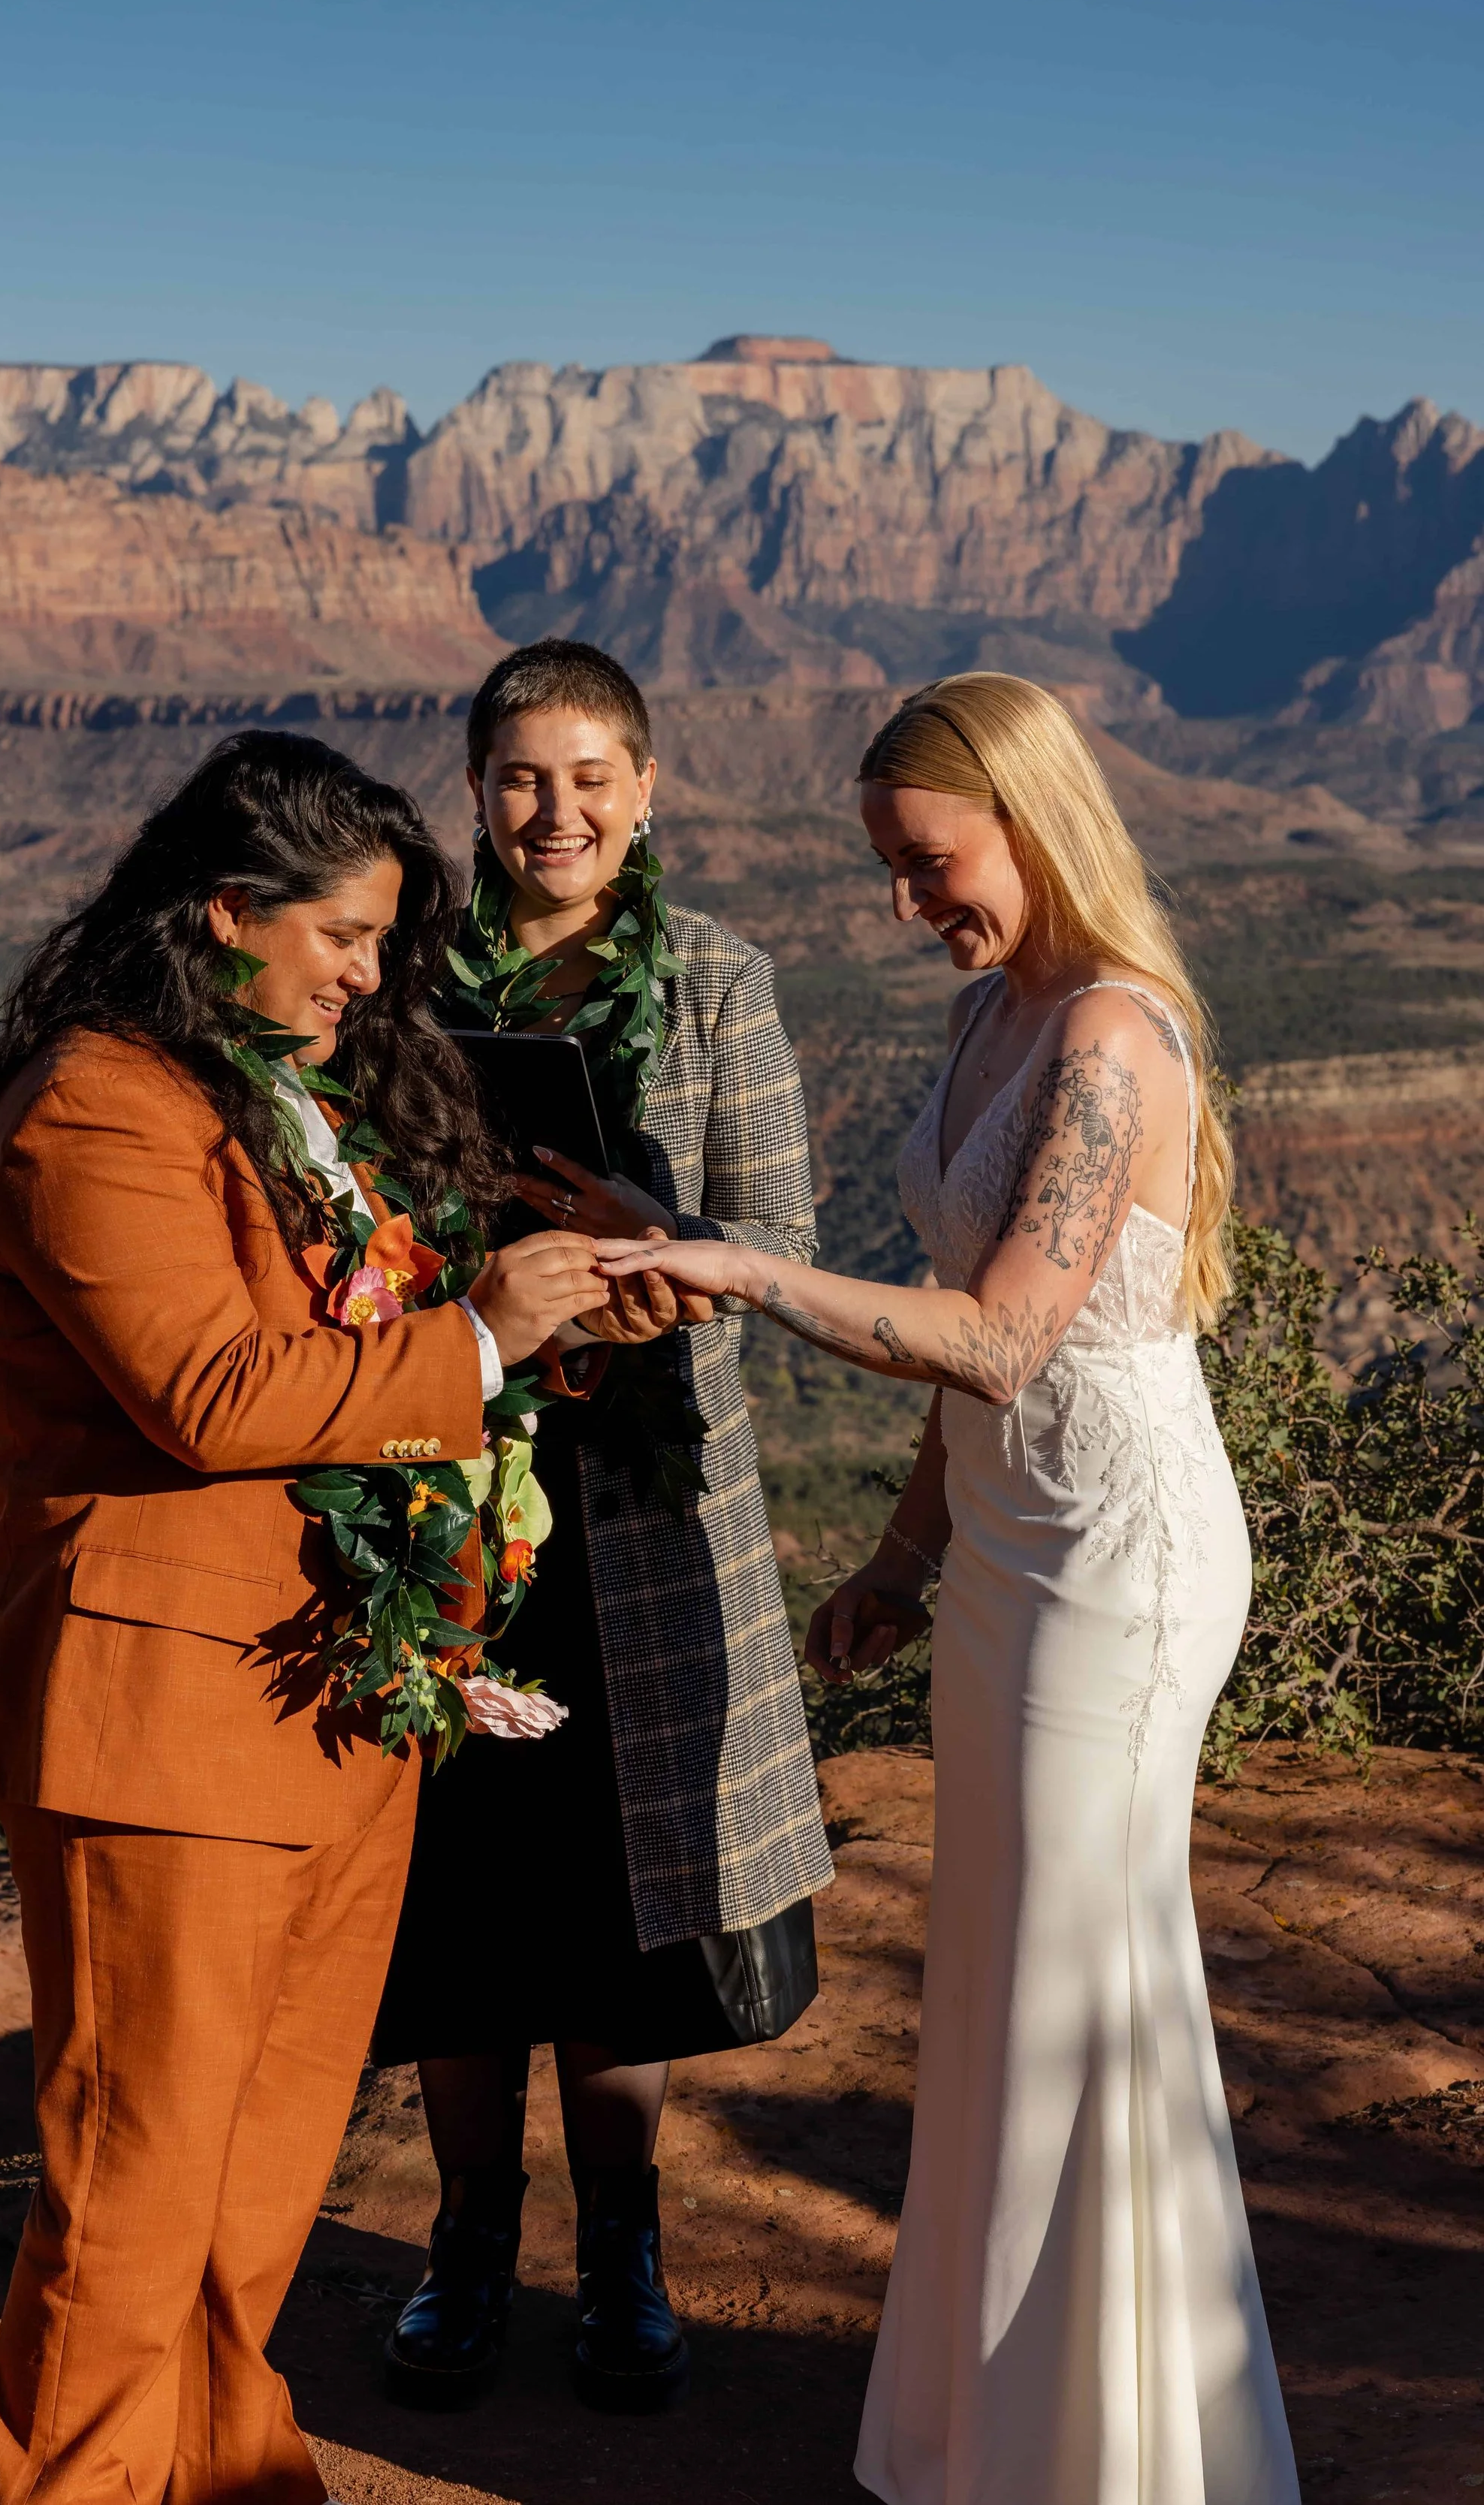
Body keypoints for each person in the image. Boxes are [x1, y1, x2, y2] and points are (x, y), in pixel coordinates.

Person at [0, 729, 683, 2505]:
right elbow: (211, 1386)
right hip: (163, 1725)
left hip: (336, 1708)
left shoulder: (286, 1097)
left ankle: (225, 2467)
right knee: (136, 2168)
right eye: (342, 936)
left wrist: (578, 1311)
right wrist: (484, 1332)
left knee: (261, 2167)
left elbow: (372, 1351)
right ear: (223, 914)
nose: (368, 973)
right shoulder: (97, 1103)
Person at [597, 672, 1302, 2504]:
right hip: (1002, 1551)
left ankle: (1122, 2459)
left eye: (930, 863)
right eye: (892, 874)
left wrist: (741, 1273)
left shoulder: (1109, 1044)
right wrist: (904, 1562)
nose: (911, 906)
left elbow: (996, 1339)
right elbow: (979, 1351)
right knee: (998, 1974)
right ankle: (996, 2435)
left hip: (1115, 1565)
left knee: (1082, 1980)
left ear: (1029, 813)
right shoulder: (998, 1011)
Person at [375, 640, 835, 2416]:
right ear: (473, 788)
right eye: (516, 777)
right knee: (464, 1883)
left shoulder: (720, 981)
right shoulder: (406, 974)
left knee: (619, 1891)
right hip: (447, 1485)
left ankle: (622, 2245)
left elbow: (776, 1241)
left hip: (643, 1509)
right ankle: (467, 2241)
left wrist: (666, 1249)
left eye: (587, 779)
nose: (551, 812)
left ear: (646, 792)